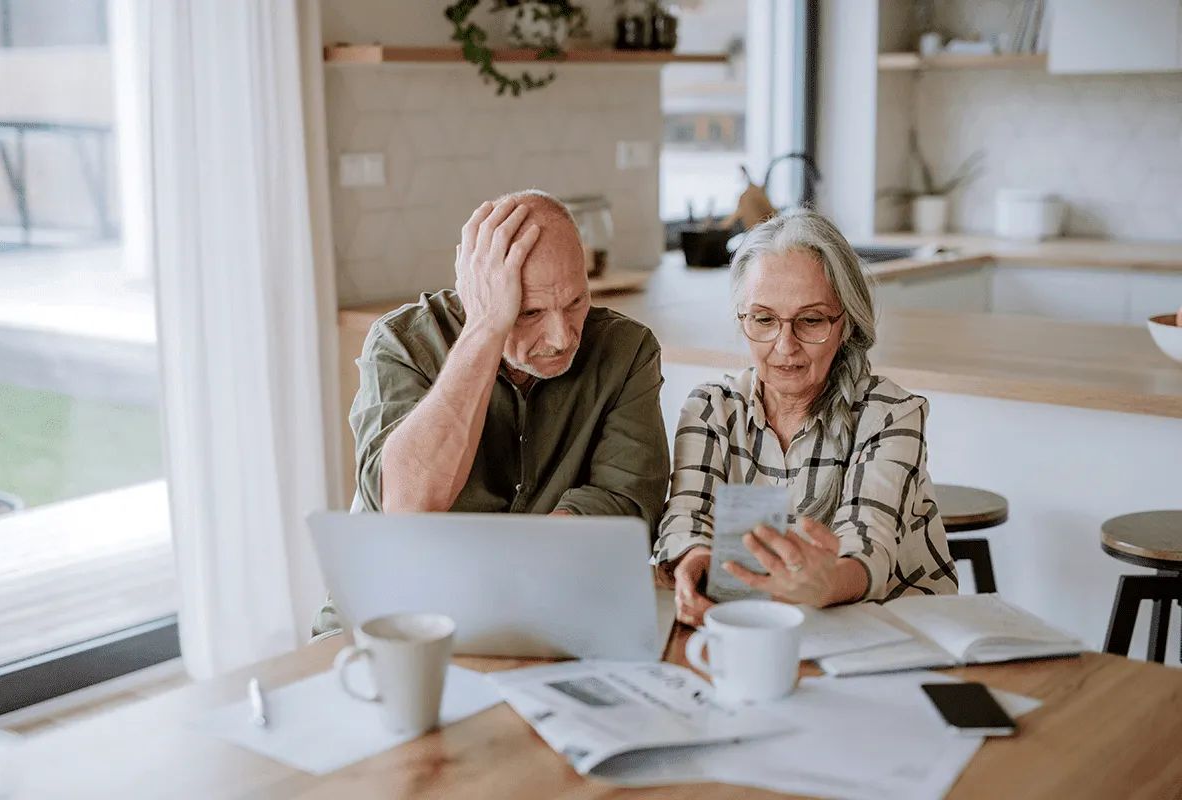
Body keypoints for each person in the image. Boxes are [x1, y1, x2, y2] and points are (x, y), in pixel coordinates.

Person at [313, 190, 670, 635]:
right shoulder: (402, 342)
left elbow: (627, 508)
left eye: (576, 301)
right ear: (476, 295)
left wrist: (501, 581)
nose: (561, 338)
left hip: (547, 611)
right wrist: (486, 329)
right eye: (530, 312)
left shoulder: (626, 351)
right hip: (390, 619)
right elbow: (408, 507)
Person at [653, 209, 957, 627]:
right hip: (766, 631)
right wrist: (695, 560)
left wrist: (824, 582)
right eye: (764, 319)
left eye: (811, 320)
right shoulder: (712, 408)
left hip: (894, 631)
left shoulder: (890, 414)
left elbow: (870, 543)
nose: (784, 346)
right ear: (743, 320)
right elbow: (688, 515)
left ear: (845, 324)